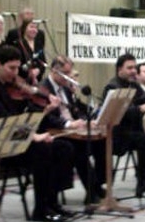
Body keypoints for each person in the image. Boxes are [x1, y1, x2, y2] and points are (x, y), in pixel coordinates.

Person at [0, 45, 75, 222]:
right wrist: (34, 137)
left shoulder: (13, 85)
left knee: (63, 147)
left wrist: (46, 110)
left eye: (17, 68)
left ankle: (52, 202)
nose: (15, 73)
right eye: (11, 68)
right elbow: (5, 120)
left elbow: (24, 117)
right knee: (42, 149)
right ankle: (40, 209)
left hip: (17, 136)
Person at [37, 55, 106, 204]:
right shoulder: (42, 89)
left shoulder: (66, 88)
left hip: (71, 130)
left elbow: (75, 109)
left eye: (70, 72)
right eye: (65, 73)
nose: (69, 77)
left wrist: (86, 121)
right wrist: (68, 124)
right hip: (54, 131)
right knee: (79, 148)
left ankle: (97, 186)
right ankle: (92, 190)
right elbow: (46, 117)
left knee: (101, 141)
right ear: (54, 71)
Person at [103, 53, 145, 196]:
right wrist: (140, 109)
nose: (133, 71)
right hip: (118, 133)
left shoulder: (134, 85)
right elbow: (117, 113)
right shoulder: (112, 86)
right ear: (119, 69)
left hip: (134, 129)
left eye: (134, 68)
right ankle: (142, 181)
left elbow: (144, 101)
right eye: (129, 68)